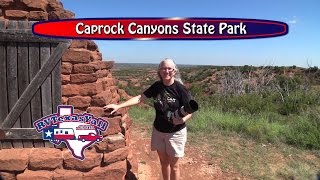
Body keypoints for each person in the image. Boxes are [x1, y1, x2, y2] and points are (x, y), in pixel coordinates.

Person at [104, 58, 194, 180]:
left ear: (174, 71)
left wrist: (183, 120)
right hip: (159, 131)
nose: (166, 71)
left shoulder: (180, 89)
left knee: (174, 166)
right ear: (159, 70)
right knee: (163, 163)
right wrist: (119, 105)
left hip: (175, 132)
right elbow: (140, 98)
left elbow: (190, 110)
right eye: (163, 68)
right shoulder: (157, 86)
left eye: (169, 68)